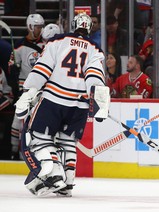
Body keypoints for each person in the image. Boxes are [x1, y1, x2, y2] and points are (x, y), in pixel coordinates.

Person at [14, 13, 107, 197]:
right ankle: (68, 182)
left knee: (39, 137)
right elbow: (95, 77)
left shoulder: (58, 41)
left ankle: (54, 174)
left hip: (53, 99)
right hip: (79, 105)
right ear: (89, 28)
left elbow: (43, 69)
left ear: (73, 25)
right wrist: (100, 100)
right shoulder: (95, 49)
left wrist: (29, 90)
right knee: (67, 141)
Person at [9, 13, 45, 160]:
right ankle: (13, 151)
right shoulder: (19, 46)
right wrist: (14, 69)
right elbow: (11, 68)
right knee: (17, 120)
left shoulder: (46, 45)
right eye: (37, 27)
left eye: (41, 27)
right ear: (30, 27)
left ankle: (35, 153)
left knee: (37, 121)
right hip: (24, 89)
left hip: (41, 89)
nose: (40, 30)